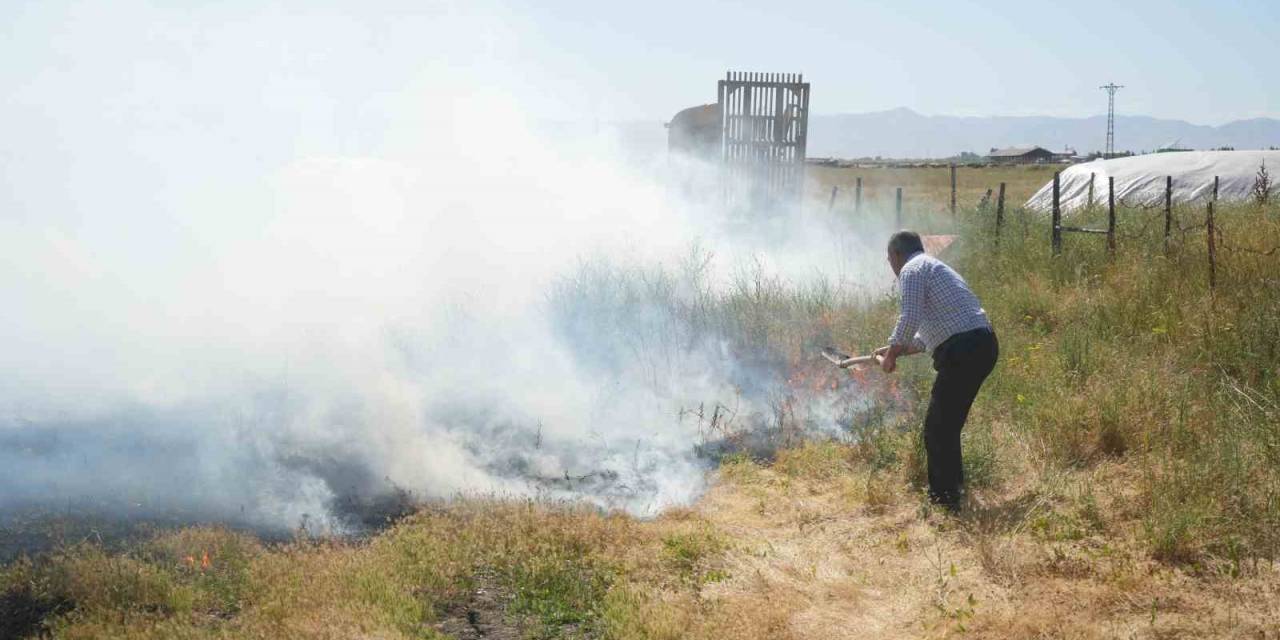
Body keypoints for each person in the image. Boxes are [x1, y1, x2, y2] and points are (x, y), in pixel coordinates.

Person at [874, 231, 998, 512]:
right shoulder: (932, 267)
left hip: (965, 349)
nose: (891, 266)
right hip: (980, 345)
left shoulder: (911, 270)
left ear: (895, 255)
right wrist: (897, 349)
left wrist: (891, 355)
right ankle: (953, 493)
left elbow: (909, 316)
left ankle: (945, 500)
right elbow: (929, 335)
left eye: (889, 259)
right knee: (946, 426)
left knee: (938, 427)